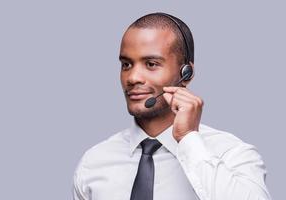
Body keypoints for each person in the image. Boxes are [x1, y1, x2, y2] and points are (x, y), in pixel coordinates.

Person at [73, 12, 271, 200]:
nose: (132, 78)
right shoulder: (94, 162)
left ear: (186, 73)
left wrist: (188, 139)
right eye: (126, 64)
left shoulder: (231, 154)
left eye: (151, 64)